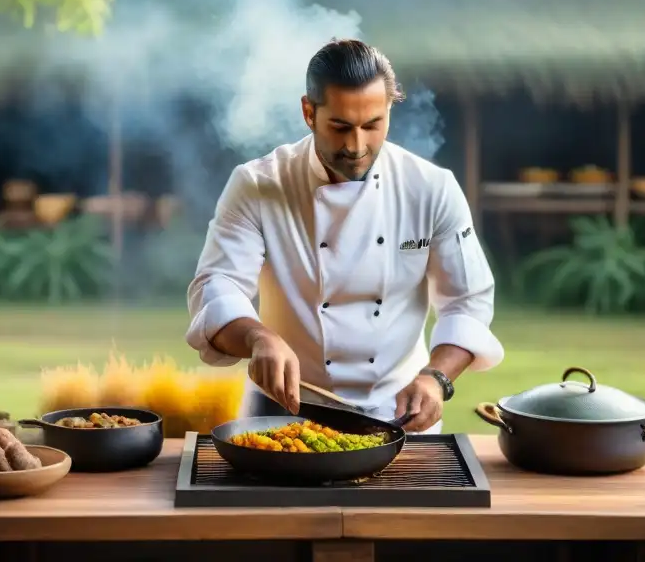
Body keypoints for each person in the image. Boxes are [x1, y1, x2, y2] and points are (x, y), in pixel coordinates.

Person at [185, 39, 503, 434]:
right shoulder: (257, 185)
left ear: (389, 110)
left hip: (400, 413)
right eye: (340, 127)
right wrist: (257, 338)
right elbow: (218, 285)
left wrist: (436, 378)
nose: (356, 146)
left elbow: (467, 303)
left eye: (373, 125)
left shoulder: (431, 189)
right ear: (308, 112)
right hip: (283, 412)